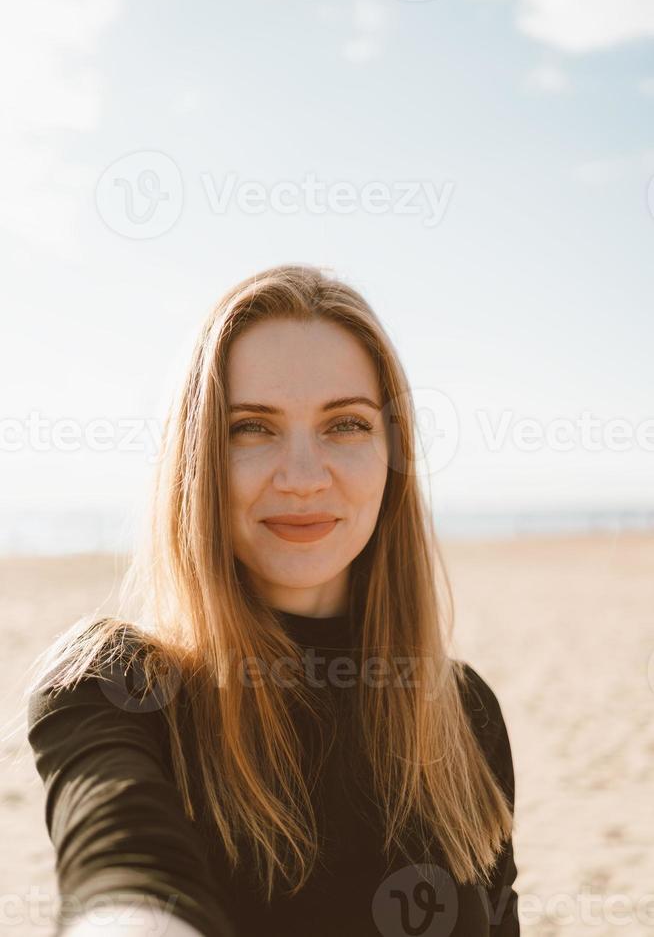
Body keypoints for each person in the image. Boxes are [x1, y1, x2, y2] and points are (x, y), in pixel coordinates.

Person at [26, 263, 520, 936]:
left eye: (344, 425)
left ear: (391, 455)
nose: (302, 477)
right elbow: (125, 876)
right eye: (251, 428)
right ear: (197, 460)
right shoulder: (116, 685)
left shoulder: (461, 711)